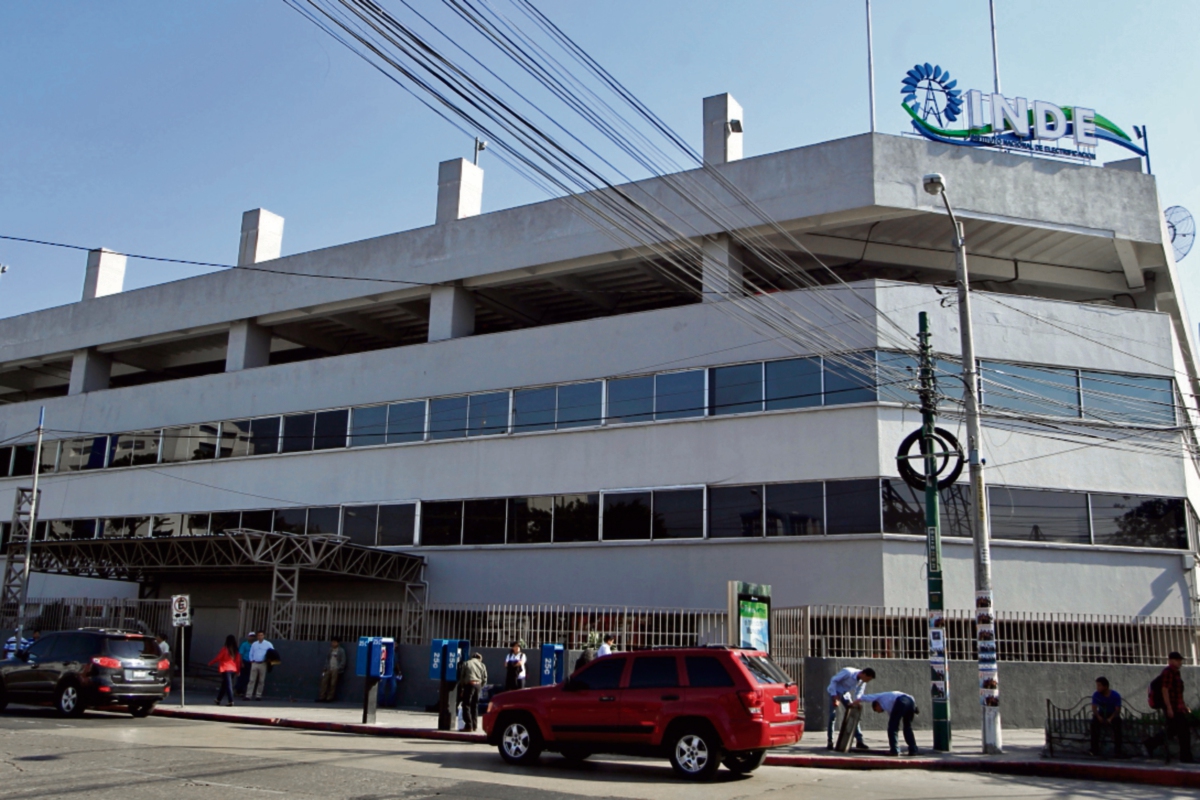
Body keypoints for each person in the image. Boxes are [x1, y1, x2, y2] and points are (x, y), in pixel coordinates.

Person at [1145, 651, 1193, 763]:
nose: (1180, 662)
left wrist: (1184, 706)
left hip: (1178, 707)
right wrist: (1169, 708)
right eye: (1177, 660)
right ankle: (1186, 757)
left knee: (1173, 730)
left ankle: (1151, 743)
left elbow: (1178, 693)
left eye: (1180, 660)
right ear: (1171, 661)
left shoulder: (1176, 673)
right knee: (1183, 731)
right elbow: (1164, 690)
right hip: (1172, 707)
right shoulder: (1168, 673)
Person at [826, 666, 875, 750]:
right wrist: (834, 696)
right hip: (835, 691)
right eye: (868, 679)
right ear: (864, 674)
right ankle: (830, 741)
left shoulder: (862, 681)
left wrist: (857, 702)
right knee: (832, 716)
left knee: (854, 714)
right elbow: (834, 680)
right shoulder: (848, 672)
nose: (867, 681)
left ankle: (859, 741)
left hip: (845, 694)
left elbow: (859, 692)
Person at [862, 691, 920, 756]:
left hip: (901, 701)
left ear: (877, 704)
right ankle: (913, 749)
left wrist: (859, 698)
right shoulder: (889, 703)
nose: (878, 712)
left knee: (892, 728)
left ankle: (894, 750)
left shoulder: (881, 698)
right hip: (910, 702)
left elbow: (869, 697)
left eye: (876, 710)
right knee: (907, 727)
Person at [1090, 676, 1122, 757]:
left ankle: (1118, 751)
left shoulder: (1115, 695)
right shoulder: (1096, 694)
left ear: (1105, 686)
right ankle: (1094, 750)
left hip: (1112, 714)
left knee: (1118, 725)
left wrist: (1110, 719)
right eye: (1097, 686)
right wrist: (1098, 716)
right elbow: (1094, 708)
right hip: (1101, 714)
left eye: (1099, 686)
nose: (1098, 688)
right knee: (1094, 725)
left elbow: (1117, 710)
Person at [208, 635, 242, 707]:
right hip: (233, 669)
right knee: (224, 685)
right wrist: (238, 671)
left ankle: (231, 700)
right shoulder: (236, 650)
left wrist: (211, 663)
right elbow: (238, 661)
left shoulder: (225, 649)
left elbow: (218, 658)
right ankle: (218, 699)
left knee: (228, 685)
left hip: (225, 669)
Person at [457, 652, 488, 732]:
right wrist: (481, 686)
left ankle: (468, 725)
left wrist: (462, 688)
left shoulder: (466, 663)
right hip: (478, 685)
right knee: (475, 705)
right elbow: (485, 678)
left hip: (469, 685)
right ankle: (474, 726)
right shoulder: (482, 665)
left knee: (466, 705)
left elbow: (462, 677)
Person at [245, 631, 274, 701]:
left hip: (263, 663)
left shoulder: (268, 644)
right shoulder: (254, 644)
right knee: (251, 680)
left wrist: (269, 660)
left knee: (261, 680)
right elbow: (251, 652)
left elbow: (273, 652)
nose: (260, 637)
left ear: (264, 636)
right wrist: (251, 660)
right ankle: (248, 695)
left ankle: (258, 695)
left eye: (261, 635)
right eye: (259, 635)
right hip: (254, 663)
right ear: (257, 636)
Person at [317, 637, 347, 702]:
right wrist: (325, 667)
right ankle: (322, 697)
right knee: (324, 682)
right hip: (328, 668)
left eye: (334, 642)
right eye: (332, 642)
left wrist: (339, 668)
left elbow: (343, 661)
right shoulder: (330, 650)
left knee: (333, 684)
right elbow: (327, 659)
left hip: (336, 669)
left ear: (338, 643)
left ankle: (329, 698)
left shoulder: (341, 651)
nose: (333, 643)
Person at [235, 632, 255, 696]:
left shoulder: (255, 645)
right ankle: (238, 691)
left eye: (253, 636)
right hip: (245, 662)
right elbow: (240, 654)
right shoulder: (244, 644)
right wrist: (241, 663)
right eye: (250, 636)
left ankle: (244, 691)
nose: (251, 637)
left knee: (248, 678)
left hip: (251, 662)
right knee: (241, 677)